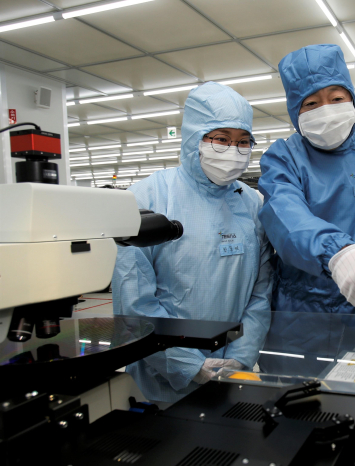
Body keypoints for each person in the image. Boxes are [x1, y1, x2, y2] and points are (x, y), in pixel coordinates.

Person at [112, 82, 273, 403]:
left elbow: (261, 292)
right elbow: (134, 302)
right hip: (161, 377)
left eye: (243, 142)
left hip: (233, 371)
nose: (233, 151)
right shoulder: (149, 196)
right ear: (194, 137)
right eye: (221, 139)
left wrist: (241, 356)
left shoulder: (252, 203)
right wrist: (187, 363)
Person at [257, 44, 355, 370]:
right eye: (311, 103)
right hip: (302, 318)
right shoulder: (283, 157)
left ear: (352, 98)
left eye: (336, 98)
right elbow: (286, 217)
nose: (326, 109)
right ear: (295, 110)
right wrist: (337, 253)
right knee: (299, 407)